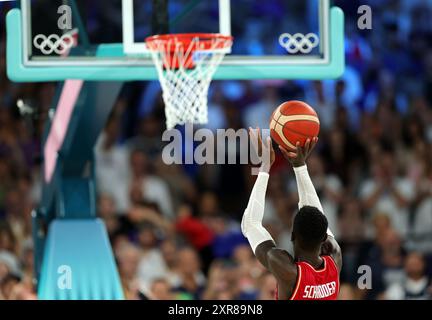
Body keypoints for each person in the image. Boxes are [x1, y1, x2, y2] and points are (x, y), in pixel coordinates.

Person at [241, 128, 342, 300]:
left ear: (293, 235)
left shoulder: (288, 271)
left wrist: (265, 167)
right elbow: (316, 214)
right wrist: (300, 165)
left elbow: (249, 224)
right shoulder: (335, 257)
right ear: (324, 237)